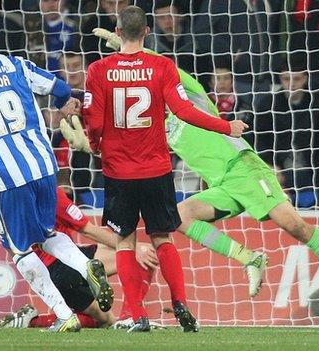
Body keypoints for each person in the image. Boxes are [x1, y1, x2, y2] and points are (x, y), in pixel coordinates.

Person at [64, 27, 319, 317]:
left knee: (295, 226)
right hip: (222, 184)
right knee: (181, 216)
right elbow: (126, 138)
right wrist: (90, 143)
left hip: (243, 169)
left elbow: (164, 66)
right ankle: (249, 257)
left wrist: (127, 49)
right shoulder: (158, 125)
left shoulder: (194, 97)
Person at [0, 14, 112, 333]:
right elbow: (60, 89)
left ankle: (63, 314)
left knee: (20, 250)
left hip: (8, 175)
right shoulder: (17, 65)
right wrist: (64, 106)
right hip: (45, 166)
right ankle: (85, 265)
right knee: (46, 235)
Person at [79, 6, 247, 333]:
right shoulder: (162, 66)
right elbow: (184, 110)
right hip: (156, 168)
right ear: (146, 32)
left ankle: (136, 314)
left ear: (117, 29)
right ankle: (181, 302)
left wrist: (96, 144)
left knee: (125, 241)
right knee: (162, 237)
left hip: (119, 172)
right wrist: (225, 127)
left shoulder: (98, 70)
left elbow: (94, 121)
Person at [0, 185, 159, 330]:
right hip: (62, 267)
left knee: (105, 317)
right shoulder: (49, 190)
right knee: (139, 257)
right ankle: (129, 318)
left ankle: (31, 321)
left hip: (45, 269)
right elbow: (88, 230)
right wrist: (131, 248)